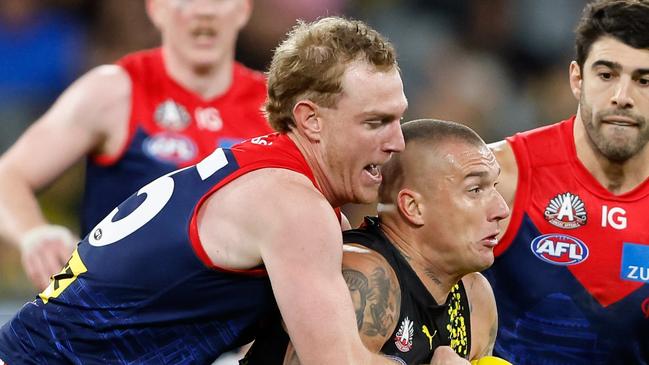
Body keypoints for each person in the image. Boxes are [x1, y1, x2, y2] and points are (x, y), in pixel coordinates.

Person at [0, 16, 415, 364]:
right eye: (376, 122)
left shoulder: (269, 173)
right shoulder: (295, 207)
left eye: (398, 119)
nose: (397, 141)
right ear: (310, 121)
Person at [0, 0, 272, 290]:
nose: (203, 10)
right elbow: (8, 176)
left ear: (244, 9)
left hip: (234, 324)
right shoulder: (114, 92)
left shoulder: (274, 109)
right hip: (116, 322)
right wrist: (34, 235)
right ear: (156, 9)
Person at [241, 119, 510, 365]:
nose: (501, 209)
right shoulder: (362, 277)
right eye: (475, 190)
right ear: (413, 207)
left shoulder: (475, 297)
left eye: (495, 187)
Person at [483, 1, 649, 364]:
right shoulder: (501, 175)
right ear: (577, 79)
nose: (623, 97)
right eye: (606, 75)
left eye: (644, 80)